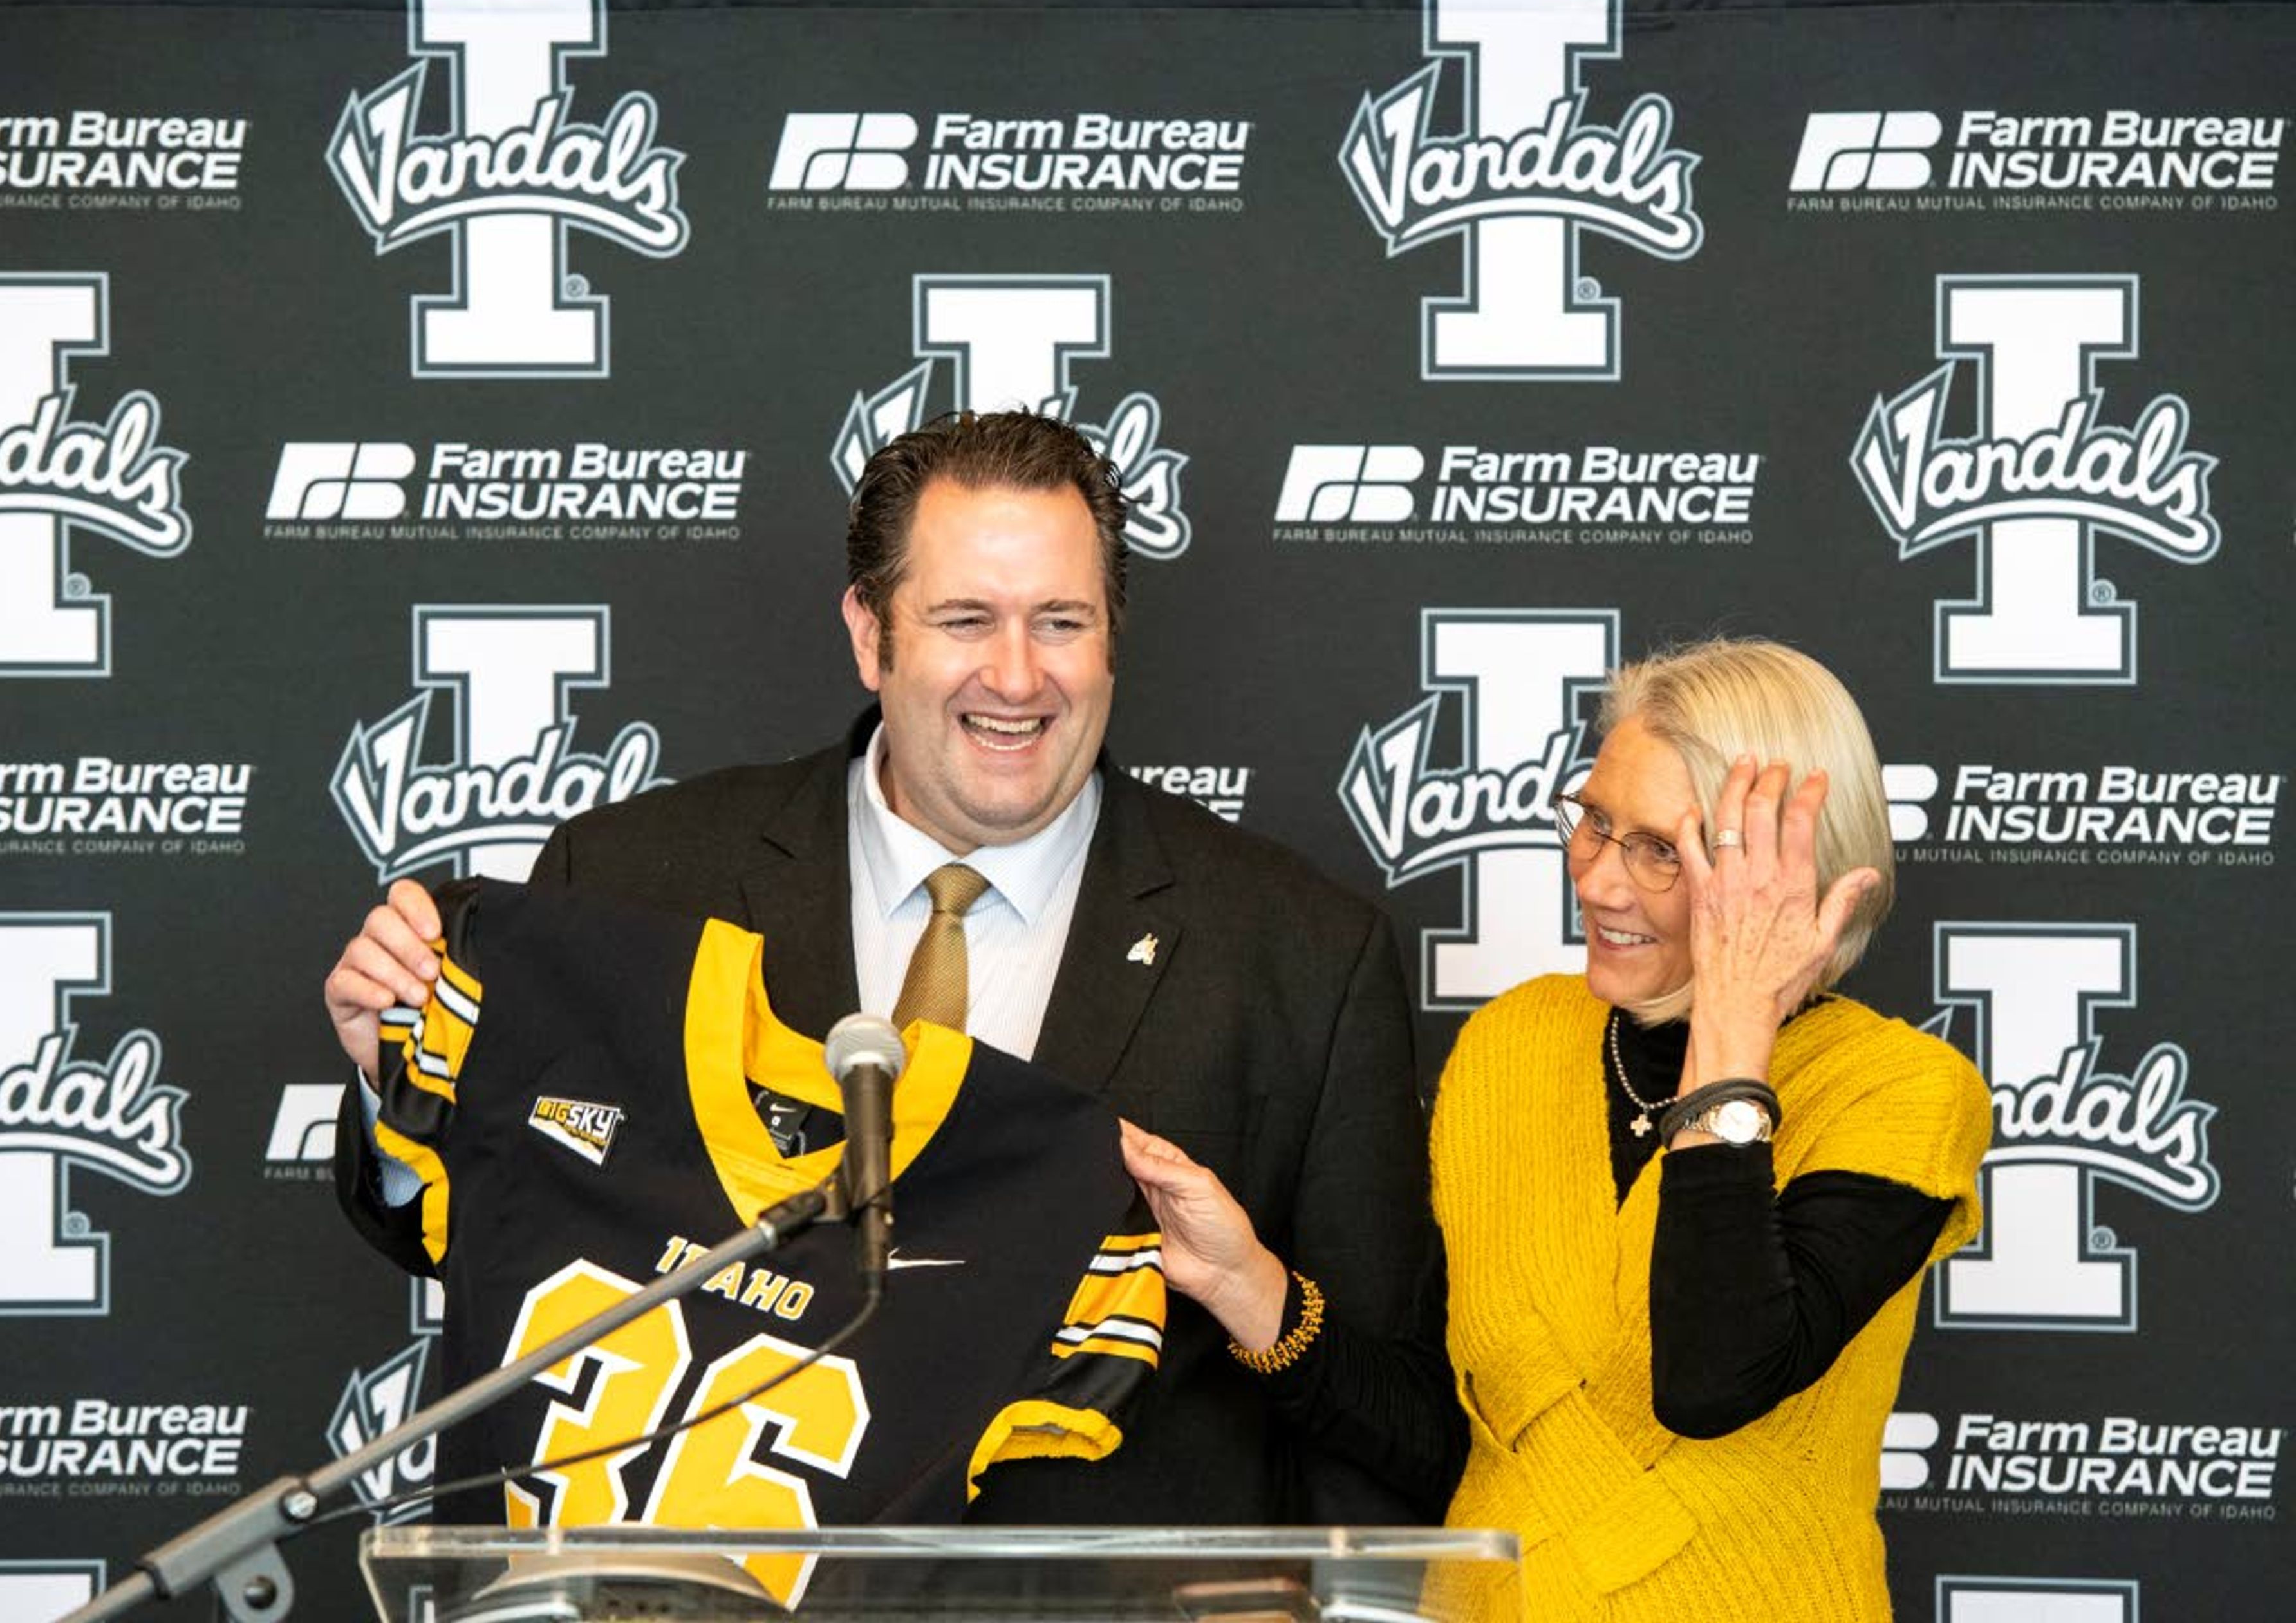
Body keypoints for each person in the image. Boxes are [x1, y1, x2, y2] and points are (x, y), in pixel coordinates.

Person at [324, 409, 1464, 1526]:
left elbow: (1408, 1425)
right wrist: (398, 1090)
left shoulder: (1301, 952)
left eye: (1061, 621)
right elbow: (483, 1242)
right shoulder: (629, 878)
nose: (1017, 679)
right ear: (872, 635)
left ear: (1113, 635)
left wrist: (1258, 1299)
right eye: (966, 619)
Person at [1428, 638, 1990, 1620]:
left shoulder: (1901, 1091)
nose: (1600, 882)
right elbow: (1450, 1423)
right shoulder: (1509, 1044)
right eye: (1594, 823)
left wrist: (1735, 1029)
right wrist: (1250, 1291)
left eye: (1661, 851)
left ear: (1796, 876)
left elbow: (1712, 1378)